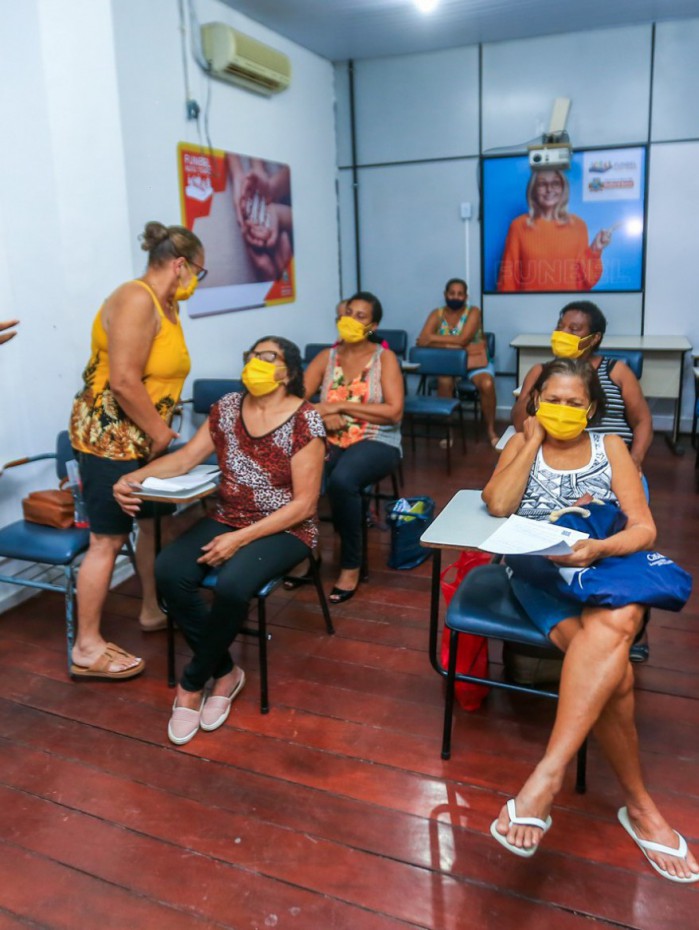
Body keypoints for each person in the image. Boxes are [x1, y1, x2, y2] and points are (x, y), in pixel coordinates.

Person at [482, 357, 698, 882]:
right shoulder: (521, 443)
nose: (562, 409)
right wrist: (531, 438)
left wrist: (598, 547)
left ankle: (545, 778)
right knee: (615, 675)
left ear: (591, 408)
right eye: (551, 400)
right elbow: (498, 505)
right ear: (537, 402)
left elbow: (643, 529)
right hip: (539, 575)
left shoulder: (611, 447)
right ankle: (640, 807)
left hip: (604, 569)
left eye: (573, 403)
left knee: (618, 620)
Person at [114, 336, 325, 745]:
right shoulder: (227, 407)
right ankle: (226, 672)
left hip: (286, 527)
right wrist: (134, 476)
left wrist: (239, 540)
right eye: (252, 355)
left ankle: (191, 684)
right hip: (229, 517)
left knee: (231, 586)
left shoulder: (305, 420)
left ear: (288, 372)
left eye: (268, 357)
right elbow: (185, 458)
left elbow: (304, 505)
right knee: (168, 571)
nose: (255, 362)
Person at [68, 221, 204, 679]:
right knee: (106, 540)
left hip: (145, 438)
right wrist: (161, 435)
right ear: (181, 265)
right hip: (110, 438)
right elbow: (124, 380)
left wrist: (156, 436)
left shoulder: (168, 306)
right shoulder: (135, 298)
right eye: (199, 273)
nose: (197, 283)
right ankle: (86, 647)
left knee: (153, 525)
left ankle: (151, 608)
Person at [304, 291, 404, 603]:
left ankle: (351, 564)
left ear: (372, 326)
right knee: (300, 474)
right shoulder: (326, 357)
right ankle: (308, 554)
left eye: (360, 316)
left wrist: (339, 406)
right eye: (348, 312)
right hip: (330, 439)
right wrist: (322, 414)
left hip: (377, 439)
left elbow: (393, 412)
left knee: (342, 480)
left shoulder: (384, 359)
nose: (351, 319)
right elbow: (296, 402)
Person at [512, 301, 652, 470]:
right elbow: (519, 423)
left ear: (594, 338)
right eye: (560, 327)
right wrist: (539, 385)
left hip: (613, 459)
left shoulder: (617, 372)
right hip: (552, 458)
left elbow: (642, 421)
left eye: (574, 329)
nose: (563, 333)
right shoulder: (540, 371)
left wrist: (635, 459)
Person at [497, 169, 613, 292]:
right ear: (533, 190)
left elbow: (586, 281)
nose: (549, 189)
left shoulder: (578, 226)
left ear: (563, 189)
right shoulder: (518, 226)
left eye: (555, 183)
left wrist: (595, 250)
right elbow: (507, 280)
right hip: (530, 303)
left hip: (569, 303)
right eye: (542, 184)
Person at [416, 277, 498, 447]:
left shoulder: (473, 312)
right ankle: (448, 432)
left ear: (465, 297)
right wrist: (450, 344)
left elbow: (463, 339)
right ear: (445, 294)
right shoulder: (436, 314)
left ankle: (491, 431)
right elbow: (421, 340)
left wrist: (434, 339)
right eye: (452, 293)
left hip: (475, 362)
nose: (455, 297)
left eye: (460, 294)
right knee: (444, 381)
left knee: (487, 384)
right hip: (448, 364)